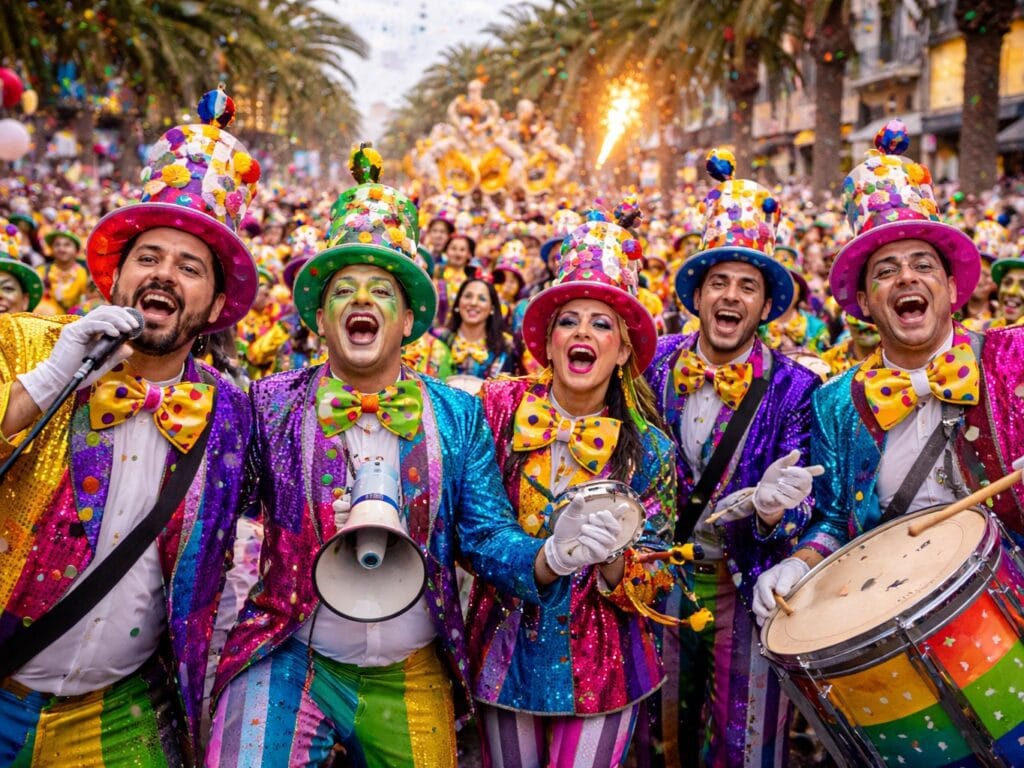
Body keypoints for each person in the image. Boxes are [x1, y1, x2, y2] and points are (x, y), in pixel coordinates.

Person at [207, 146, 622, 768]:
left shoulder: (455, 415)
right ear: (320, 317)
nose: (361, 300)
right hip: (291, 656)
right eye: (343, 289)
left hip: (412, 666)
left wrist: (547, 558)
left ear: (407, 321)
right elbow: (213, 507)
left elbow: (485, 536)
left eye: (381, 289)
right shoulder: (270, 403)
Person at [0, 93, 261, 764]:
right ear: (117, 273)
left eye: (189, 266)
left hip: (121, 712)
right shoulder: (28, 344)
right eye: (149, 257)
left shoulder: (234, 413)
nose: (165, 275)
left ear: (214, 304)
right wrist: (50, 377)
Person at [754, 121, 1024, 630]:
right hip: (893, 626)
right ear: (862, 303)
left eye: (923, 265)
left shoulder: (1016, 358)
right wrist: (797, 562)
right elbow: (835, 522)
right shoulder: (835, 402)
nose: (906, 278)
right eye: (885, 271)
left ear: (949, 285)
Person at [468, 209, 679, 767]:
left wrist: (616, 561)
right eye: (570, 320)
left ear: (625, 350)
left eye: (601, 323)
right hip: (505, 654)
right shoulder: (497, 409)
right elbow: (472, 529)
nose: (583, 332)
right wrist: (546, 558)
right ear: (550, 340)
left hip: (606, 666)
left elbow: (660, 574)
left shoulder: (652, 449)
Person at [639, 148, 822, 768]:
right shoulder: (650, 363)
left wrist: (773, 515)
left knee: (748, 742)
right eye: (719, 281)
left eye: (748, 285)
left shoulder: (797, 387)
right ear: (698, 293)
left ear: (766, 304)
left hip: (747, 590)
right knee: (659, 735)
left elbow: (813, 507)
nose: (731, 295)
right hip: (654, 583)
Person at [437, 276, 515, 384]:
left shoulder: (504, 348)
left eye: (482, 299)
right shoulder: (442, 341)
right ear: (458, 303)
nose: (473, 303)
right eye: (468, 296)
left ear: (492, 308)